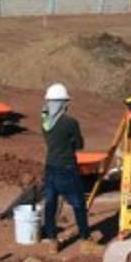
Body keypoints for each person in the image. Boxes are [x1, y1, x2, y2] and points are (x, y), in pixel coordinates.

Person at [40, 83, 95, 253]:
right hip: (67, 168)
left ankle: (52, 241)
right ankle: (85, 239)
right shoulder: (70, 122)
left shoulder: (45, 122)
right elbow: (79, 144)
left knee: (50, 204)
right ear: (63, 103)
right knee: (78, 204)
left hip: (50, 167)